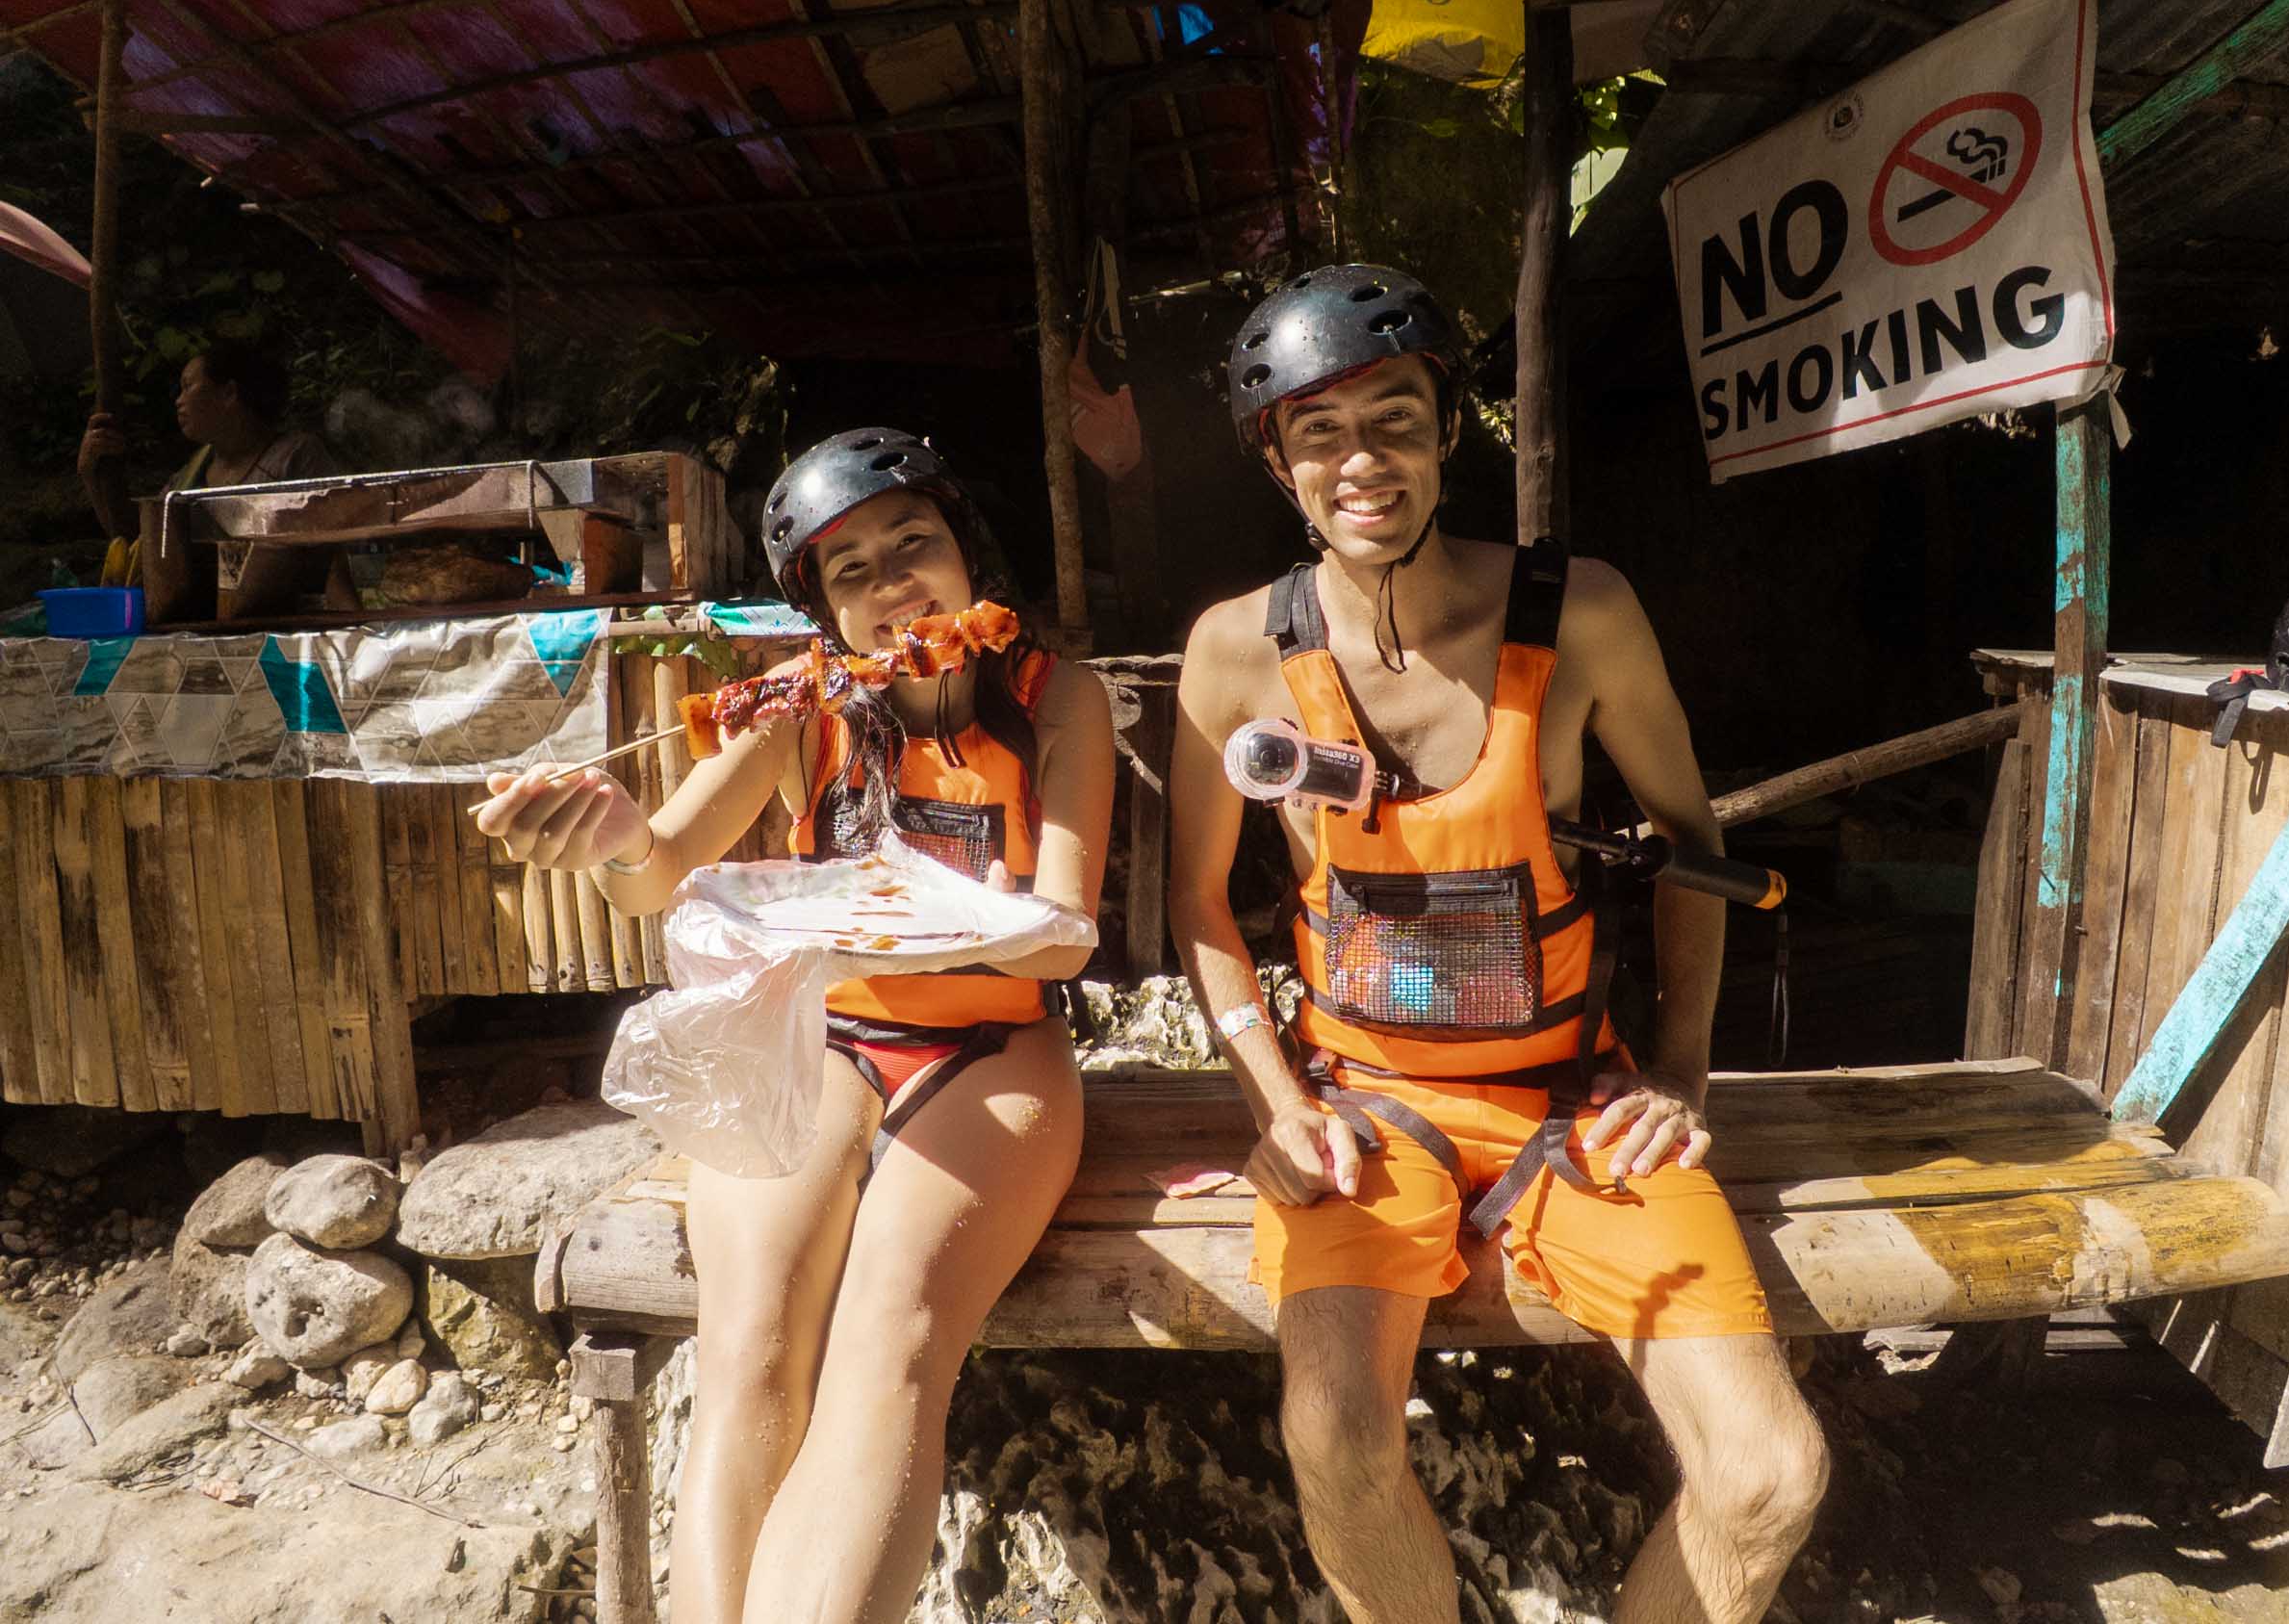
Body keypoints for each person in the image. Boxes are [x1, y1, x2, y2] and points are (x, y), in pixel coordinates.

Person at [1168, 266, 1828, 1624]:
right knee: (1335, 1442)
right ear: (1275, 456)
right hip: (1363, 1109)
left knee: (1770, 1474)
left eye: (1396, 418)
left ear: (1449, 428)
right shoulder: (1238, 651)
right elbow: (1196, 908)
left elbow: (1688, 846)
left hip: (1577, 1104)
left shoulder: (1577, 612)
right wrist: (1277, 1104)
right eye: (1321, 431)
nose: (1364, 461)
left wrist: (1684, 1077)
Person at [477, 428, 1114, 1624]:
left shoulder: (1054, 698)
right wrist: (608, 829)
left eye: (912, 544)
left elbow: (1068, 930)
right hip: (821, 1043)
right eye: (851, 570)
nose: (892, 585)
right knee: (751, 1340)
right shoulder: (802, 704)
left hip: (991, 1049)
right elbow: (659, 868)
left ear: (966, 550)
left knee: (889, 1340)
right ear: (821, 608)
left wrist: (927, 930)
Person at [77, 340, 343, 612]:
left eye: (188, 386)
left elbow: (332, 552)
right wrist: (90, 474)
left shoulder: (295, 456)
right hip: (200, 624)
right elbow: (140, 544)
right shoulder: (190, 475)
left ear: (228, 393)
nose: (178, 401)